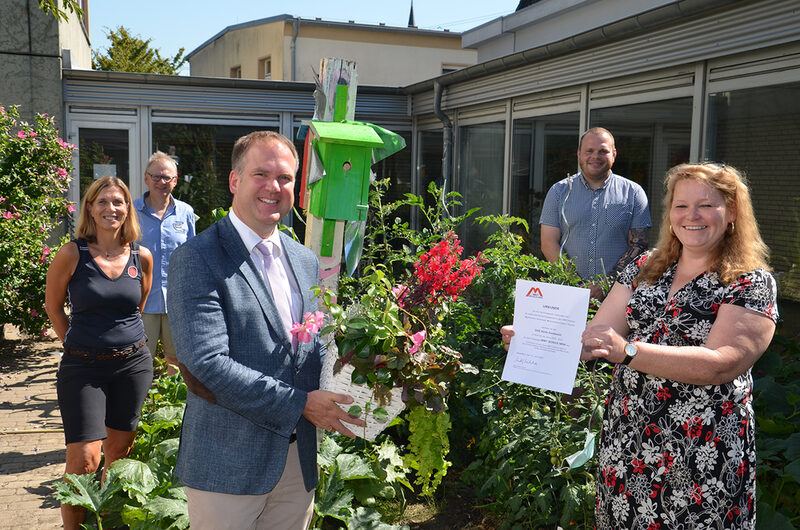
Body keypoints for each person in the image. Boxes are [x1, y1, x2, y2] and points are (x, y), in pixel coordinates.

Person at [502, 162, 778, 528]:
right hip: (629, 437)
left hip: (703, 447)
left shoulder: (750, 282)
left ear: (732, 212)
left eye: (706, 205)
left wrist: (629, 351)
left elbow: (721, 363)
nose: (691, 215)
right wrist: (537, 340)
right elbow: (598, 337)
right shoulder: (645, 266)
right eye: (681, 206)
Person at [167, 131, 364, 529]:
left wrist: (366, 365)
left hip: (296, 466)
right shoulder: (198, 258)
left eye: (286, 178)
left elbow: (312, 348)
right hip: (228, 465)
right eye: (261, 173)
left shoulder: (305, 260)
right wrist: (301, 404)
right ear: (235, 181)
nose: (274, 187)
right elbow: (207, 363)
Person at [45, 176, 154, 529]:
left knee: (118, 457)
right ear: (90, 207)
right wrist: (76, 345)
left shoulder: (142, 256)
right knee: (84, 461)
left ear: (128, 209)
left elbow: (137, 307)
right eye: (103, 201)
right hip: (83, 370)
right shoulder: (71, 254)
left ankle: (107, 522)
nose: (111, 209)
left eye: (118, 202)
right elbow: (54, 307)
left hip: (132, 365)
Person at [539, 127, 651, 299]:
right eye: (589, 151)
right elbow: (548, 243)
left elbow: (639, 245)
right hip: (566, 294)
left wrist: (606, 285)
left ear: (614, 154)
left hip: (617, 296)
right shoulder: (558, 192)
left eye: (603, 151)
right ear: (579, 154)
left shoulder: (634, 193)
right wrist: (576, 287)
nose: (595, 157)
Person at [133, 151, 195, 375]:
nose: (161, 182)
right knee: (140, 359)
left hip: (176, 302)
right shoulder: (131, 211)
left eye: (167, 177)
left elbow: (190, 256)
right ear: (146, 178)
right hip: (142, 301)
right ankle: (139, 406)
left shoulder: (186, 213)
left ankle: (173, 406)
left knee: (177, 361)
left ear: (175, 181)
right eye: (156, 177)